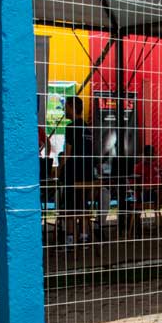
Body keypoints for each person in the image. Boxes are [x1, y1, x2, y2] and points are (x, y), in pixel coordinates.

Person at [59, 96, 94, 248]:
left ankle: (70, 241)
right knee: (83, 206)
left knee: (69, 208)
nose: (64, 110)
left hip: (73, 174)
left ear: (72, 108)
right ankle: (84, 238)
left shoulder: (71, 127)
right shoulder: (88, 128)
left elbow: (67, 153)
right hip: (87, 174)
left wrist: (59, 170)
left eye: (66, 107)